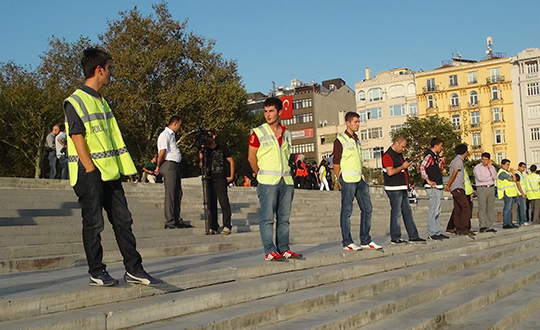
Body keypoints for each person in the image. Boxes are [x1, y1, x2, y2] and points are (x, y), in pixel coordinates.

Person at [64, 47, 161, 287]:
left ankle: (134, 269)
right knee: (94, 223)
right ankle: (96, 271)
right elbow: (77, 137)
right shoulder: (75, 101)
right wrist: (89, 169)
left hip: (110, 172)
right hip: (89, 173)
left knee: (123, 220)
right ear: (99, 70)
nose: (111, 73)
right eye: (109, 69)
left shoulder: (102, 101)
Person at [248, 97, 302, 261]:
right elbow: (251, 158)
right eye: (265, 111)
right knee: (267, 218)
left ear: (279, 112)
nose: (268, 115)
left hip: (286, 181)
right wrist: (259, 173)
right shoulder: (258, 132)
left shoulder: (287, 133)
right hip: (267, 182)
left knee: (284, 218)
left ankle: (284, 248)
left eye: (271, 111)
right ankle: (269, 250)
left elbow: (286, 156)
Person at [333, 111, 382, 251]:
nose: (358, 124)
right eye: (355, 122)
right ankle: (347, 242)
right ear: (347, 123)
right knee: (347, 211)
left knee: (367, 209)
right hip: (347, 180)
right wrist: (339, 178)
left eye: (359, 121)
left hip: (359, 179)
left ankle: (365, 239)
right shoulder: (340, 140)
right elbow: (336, 162)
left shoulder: (357, 139)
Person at [382, 136, 426, 244]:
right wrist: (403, 166)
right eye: (402, 147)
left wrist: (409, 183)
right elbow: (390, 172)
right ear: (396, 143)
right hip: (394, 188)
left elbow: (402, 171)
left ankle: (413, 236)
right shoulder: (387, 155)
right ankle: (395, 237)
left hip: (402, 187)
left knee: (407, 212)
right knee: (396, 213)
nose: (403, 149)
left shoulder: (399, 155)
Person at [155, 116, 193, 229]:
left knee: (177, 193)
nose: (180, 128)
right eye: (180, 125)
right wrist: (158, 166)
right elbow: (162, 152)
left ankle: (176, 218)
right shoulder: (165, 135)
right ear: (175, 124)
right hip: (168, 164)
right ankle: (170, 221)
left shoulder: (171, 136)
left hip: (174, 165)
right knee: (171, 193)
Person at [200, 130, 235, 235]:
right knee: (211, 203)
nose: (208, 138)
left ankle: (227, 225)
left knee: (223, 202)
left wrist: (231, 176)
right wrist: (201, 158)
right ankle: (213, 226)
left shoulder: (222, 148)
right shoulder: (205, 151)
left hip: (220, 177)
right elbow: (202, 166)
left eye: (209, 136)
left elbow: (231, 161)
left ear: (214, 136)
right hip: (209, 177)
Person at [419, 137, 448, 240]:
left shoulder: (434, 157)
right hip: (433, 187)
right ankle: (432, 232)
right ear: (436, 146)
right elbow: (422, 167)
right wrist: (428, 180)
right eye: (441, 146)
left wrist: (441, 159)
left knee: (437, 210)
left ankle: (437, 231)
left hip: (437, 186)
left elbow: (439, 168)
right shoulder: (429, 156)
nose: (441, 148)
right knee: (433, 209)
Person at [445, 144, 472, 236]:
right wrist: (448, 185)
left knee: (458, 208)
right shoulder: (459, 161)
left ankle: (458, 228)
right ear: (465, 152)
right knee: (466, 207)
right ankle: (464, 227)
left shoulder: (455, 160)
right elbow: (454, 174)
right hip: (458, 187)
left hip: (456, 187)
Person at [473, 152, 498, 233]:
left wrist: (490, 169)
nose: (484, 161)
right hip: (482, 188)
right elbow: (480, 178)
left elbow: (495, 177)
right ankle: (482, 225)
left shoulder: (492, 167)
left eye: (486, 160)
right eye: (483, 159)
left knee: (490, 208)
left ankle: (489, 225)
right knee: (482, 207)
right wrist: (490, 177)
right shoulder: (477, 167)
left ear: (489, 160)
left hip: (490, 187)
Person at [497, 159, 520, 229]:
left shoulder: (506, 172)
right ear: (502, 165)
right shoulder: (502, 172)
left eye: (508, 165)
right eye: (507, 164)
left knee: (510, 209)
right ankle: (506, 223)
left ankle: (509, 222)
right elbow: (513, 179)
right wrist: (513, 173)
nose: (508, 166)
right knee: (507, 208)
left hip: (511, 193)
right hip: (507, 192)